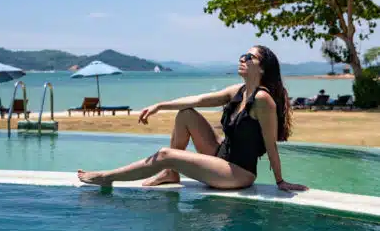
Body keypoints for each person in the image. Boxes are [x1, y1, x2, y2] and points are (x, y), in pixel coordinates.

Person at [77, 45, 308, 192]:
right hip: (220, 155)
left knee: (166, 155)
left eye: (249, 57)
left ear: (262, 68)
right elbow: (198, 99)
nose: (242, 59)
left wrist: (280, 181)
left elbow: (270, 145)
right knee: (186, 113)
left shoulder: (262, 100)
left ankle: (107, 177)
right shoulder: (238, 91)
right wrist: (159, 105)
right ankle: (171, 173)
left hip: (238, 172)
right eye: (242, 55)